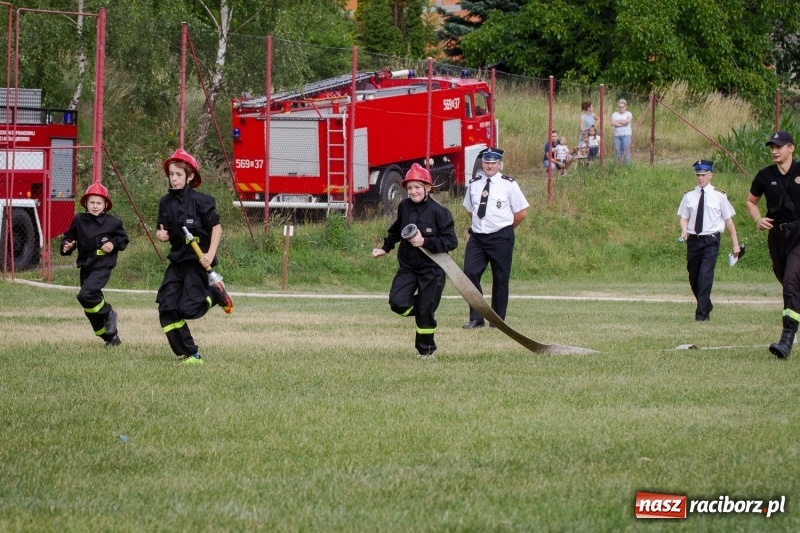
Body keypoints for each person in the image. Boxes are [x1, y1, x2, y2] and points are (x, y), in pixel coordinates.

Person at [155, 148, 233, 365]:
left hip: (198, 263)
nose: (174, 178)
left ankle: (215, 294)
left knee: (187, 309)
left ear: (190, 177)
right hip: (177, 261)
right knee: (166, 306)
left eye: (179, 174)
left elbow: (217, 228)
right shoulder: (165, 202)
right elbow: (163, 230)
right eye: (171, 174)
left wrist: (210, 254)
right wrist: (162, 236)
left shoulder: (202, 201)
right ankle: (191, 354)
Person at [372, 163, 458, 358]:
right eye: (409, 188)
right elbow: (396, 230)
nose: (413, 191)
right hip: (408, 267)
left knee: (426, 313)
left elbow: (451, 241)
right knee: (398, 303)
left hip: (432, 270)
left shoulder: (440, 212)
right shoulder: (404, 206)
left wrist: (425, 241)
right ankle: (426, 306)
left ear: (427, 187)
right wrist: (385, 248)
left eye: (417, 187)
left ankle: (426, 352)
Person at [744, 131, 800, 359]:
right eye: (772, 147)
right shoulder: (764, 175)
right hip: (777, 237)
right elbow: (751, 202)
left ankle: (786, 339)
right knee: (787, 282)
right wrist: (758, 219)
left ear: (791, 148)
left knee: (790, 282)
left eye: (779, 146)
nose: (774, 151)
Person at [462, 147, 529, 329]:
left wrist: (505, 229)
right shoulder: (474, 184)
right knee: (470, 273)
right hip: (478, 237)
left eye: (493, 163)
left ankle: (497, 320)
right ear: (482, 163)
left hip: (501, 237)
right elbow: (470, 210)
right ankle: (477, 318)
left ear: (500, 164)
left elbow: (521, 213)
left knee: (500, 278)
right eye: (486, 162)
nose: (489, 166)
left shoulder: (509, 184)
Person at [60, 181, 129, 346]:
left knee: (85, 295)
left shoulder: (113, 223)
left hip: (103, 265)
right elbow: (68, 238)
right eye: (92, 202)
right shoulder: (78, 220)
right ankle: (110, 338)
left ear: (105, 205)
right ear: (86, 203)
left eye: (99, 203)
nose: (95, 206)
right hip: (86, 266)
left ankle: (108, 312)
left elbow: (123, 240)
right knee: (89, 306)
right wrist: (67, 245)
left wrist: (112, 243)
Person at [677, 160, 741, 321]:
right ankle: (706, 304)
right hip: (693, 240)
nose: (700, 178)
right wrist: (684, 230)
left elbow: (728, 221)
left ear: (710, 175)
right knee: (694, 277)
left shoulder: (719, 196)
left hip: (710, 240)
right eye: (698, 175)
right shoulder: (689, 195)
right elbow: (684, 217)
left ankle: (701, 314)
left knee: (705, 275)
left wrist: (735, 243)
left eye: (703, 175)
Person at [611, 99, 633, 165]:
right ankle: (617, 165)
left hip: (626, 135)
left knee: (626, 151)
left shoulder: (628, 113)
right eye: (619, 107)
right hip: (617, 135)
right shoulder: (615, 114)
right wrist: (622, 124)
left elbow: (627, 121)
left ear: (625, 107)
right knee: (617, 150)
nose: (620, 108)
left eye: (622, 107)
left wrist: (617, 122)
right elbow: (613, 123)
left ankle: (627, 166)